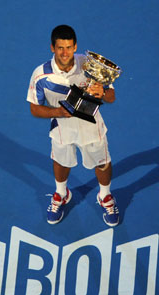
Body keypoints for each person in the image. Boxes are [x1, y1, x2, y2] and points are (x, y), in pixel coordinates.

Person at [27, 25, 120, 226]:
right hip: (62, 128)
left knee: (102, 163)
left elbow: (111, 96)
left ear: (75, 46)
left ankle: (105, 196)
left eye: (69, 47)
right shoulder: (41, 75)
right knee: (61, 162)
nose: (65, 52)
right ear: (52, 47)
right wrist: (58, 112)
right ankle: (61, 193)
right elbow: (34, 108)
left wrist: (102, 93)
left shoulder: (90, 65)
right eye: (60, 47)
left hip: (92, 126)